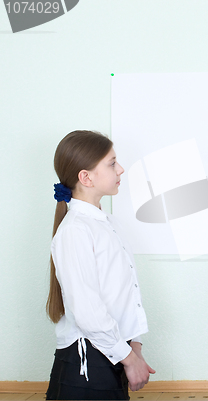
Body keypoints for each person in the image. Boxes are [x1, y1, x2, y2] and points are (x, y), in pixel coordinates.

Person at [46, 130, 155, 400]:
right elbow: (87, 311)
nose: (121, 168)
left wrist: (135, 345)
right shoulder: (75, 230)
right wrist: (129, 358)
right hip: (86, 366)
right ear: (86, 177)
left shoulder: (108, 224)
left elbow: (124, 292)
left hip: (112, 354)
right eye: (112, 163)